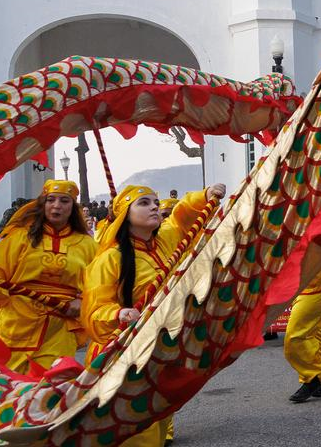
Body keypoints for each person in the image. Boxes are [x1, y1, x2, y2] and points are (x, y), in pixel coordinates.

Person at [82, 183, 226, 447]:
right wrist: (118, 313)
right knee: (139, 435)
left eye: (154, 203)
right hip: (125, 354)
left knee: (156, 426)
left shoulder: (165, 241)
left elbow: (182, 214)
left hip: (159, 350)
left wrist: (204, 196)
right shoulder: (109, 259)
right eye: (144, 203)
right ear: (126, 214)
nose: (154, 208)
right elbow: (94, 311)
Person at [0, 180, 98, 375]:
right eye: (51, 200)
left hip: (58, 329)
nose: (57, 205)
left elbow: (99, 283)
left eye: (64, 201)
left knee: (48, 389)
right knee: (4, 387)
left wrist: (82, 301)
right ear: (43, 204)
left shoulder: (87, 244)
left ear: (73, 207)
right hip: (14, 324)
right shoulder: (21, 237)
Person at [283, 254, 321, 403]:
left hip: (317, 289)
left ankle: (311, 377)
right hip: (304, 287)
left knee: (294, 337)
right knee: (314, 334)